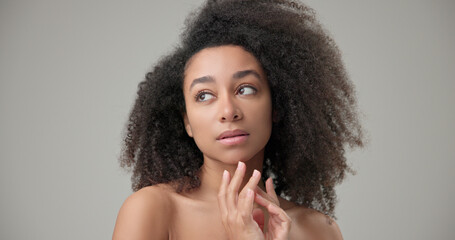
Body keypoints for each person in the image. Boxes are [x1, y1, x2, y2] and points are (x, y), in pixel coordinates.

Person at [113, 0, 363, 239]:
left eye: (245, 89)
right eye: (204, 95)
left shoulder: (319, 231)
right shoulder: (151, 211)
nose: (228, 111)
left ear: (276, 107)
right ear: (186, 121)